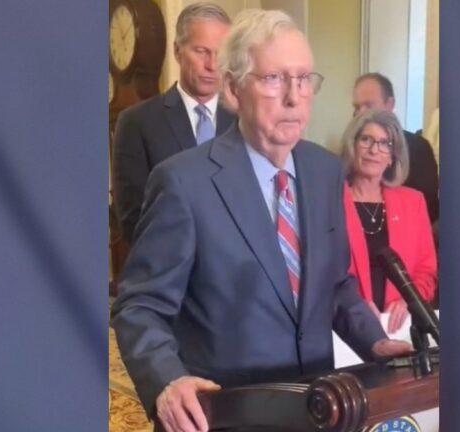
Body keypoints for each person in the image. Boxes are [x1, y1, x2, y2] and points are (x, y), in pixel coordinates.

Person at [112, 10, 412, 432]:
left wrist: (374, 341)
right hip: (226, 414)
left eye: (304, 79)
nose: (294, 97)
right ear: (234, 89)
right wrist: (168, 379)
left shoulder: (324, 171)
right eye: (274, 79)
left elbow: (336, 282)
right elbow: (139, 306)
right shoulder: (183, 181)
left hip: (317, 408)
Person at [112, 3, 236, 244]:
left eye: (220, 54)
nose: (212, 65)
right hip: (172, 273)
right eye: (201, 51)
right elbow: (133, 221)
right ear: (178, 51)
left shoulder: (243, 121)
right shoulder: (136, 123)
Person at [341, 109, 438, 334]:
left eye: (385, 143)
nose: (374, 150)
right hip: (346, 327)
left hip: (400, 328)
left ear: (393, 156)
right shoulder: (330, 199)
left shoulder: (413, 202)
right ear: (352, 145)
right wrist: (353, 306)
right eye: (366, 140)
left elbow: (426, 271)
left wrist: (410, 302)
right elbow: (322, 273)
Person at [352, 73, 440, 223]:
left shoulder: (419, 149)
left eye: (368, 105)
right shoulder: (350, 147)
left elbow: (428, 209)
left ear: (390, 104)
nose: (360, 113)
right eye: (357, 107)